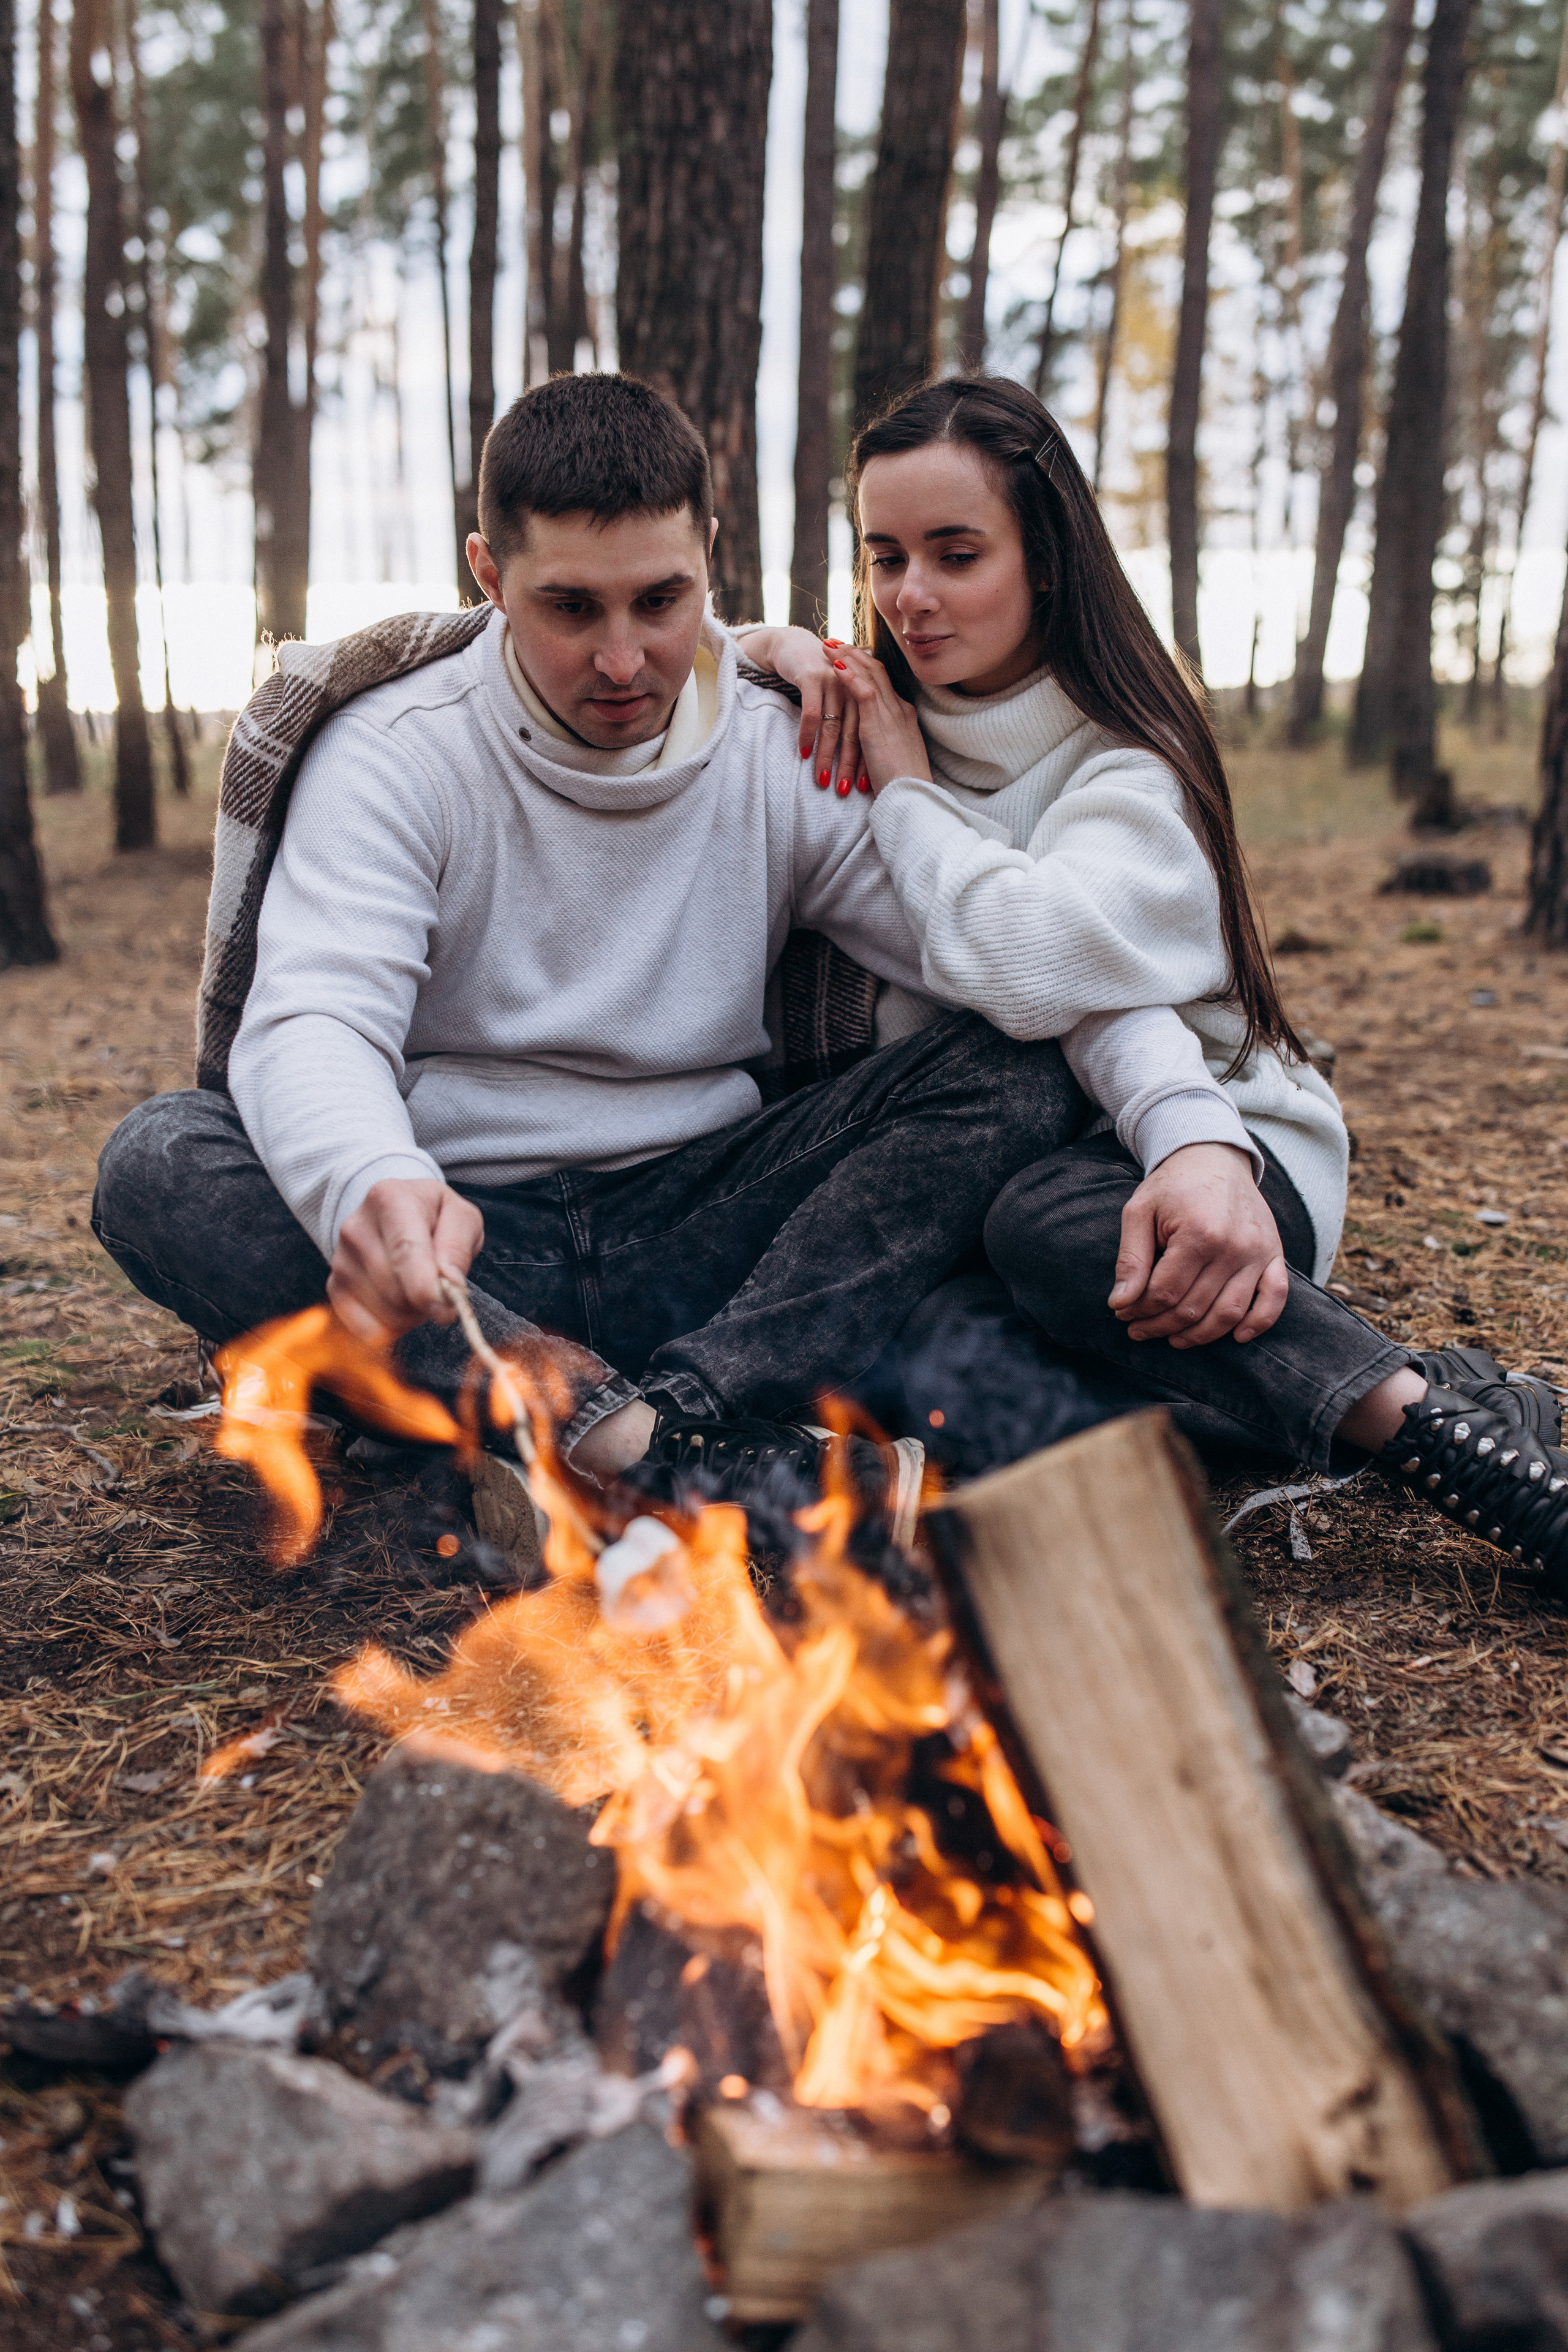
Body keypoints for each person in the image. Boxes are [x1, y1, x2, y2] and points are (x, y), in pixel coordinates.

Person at [91, 371, 1215, 1536]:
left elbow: (1002, 967)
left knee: (1012, 1072)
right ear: (488, 574)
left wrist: (1189, 1130)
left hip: (717, 1241)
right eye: (572, 608)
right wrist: (374, 1181)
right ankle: (648, 1447)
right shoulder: (394, 752)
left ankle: (648, 1421)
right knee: (160, 1163)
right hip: (474, 1249)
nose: (625, 660)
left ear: (710, 559)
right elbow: (315, 1017)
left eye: (662, 602)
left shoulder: (781, 749)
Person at [737, 374, 1568, 1586]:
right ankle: (1416, 1392)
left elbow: (1021, 970)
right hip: (994, 1193)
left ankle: (1436, 1438)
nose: (908, 597)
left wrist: (910, 791)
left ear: (1047, 559)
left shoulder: (1123, 768)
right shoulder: (863, 716)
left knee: (1051, 1230)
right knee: (929, 1355)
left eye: (954, 554)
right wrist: (763, 644)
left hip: (1216, 1167)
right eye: (882, 556)